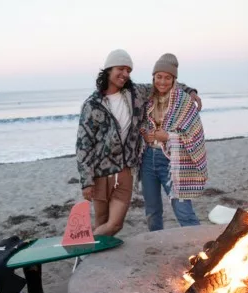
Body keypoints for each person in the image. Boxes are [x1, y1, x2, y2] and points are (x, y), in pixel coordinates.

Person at [76, 49, 201, 236]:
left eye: (128, 70)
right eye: (121, 69)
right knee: (102, 222)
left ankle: (82, 243)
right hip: (101, 171)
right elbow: (83, 145)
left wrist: (191, 91)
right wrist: (86, 181)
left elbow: (165, 83)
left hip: (127, 169)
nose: (125, 74)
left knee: (115, 224)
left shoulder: (135, 93)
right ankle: (92, 255)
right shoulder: (92, 104)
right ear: (109, 69)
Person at [140, 53, 208, 231]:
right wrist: (146, 134)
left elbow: (195, 134)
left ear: (174, 80)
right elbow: (141, 124)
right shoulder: (147, 98)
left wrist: (169, 137)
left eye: (167, 78)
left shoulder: (183, 101)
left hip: (173, 161)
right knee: (152, 211)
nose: (162, 82)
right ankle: (158, 243)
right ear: (153, 77)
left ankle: (200, 247)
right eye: (159, 77)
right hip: (147, 159)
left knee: (183, 210)